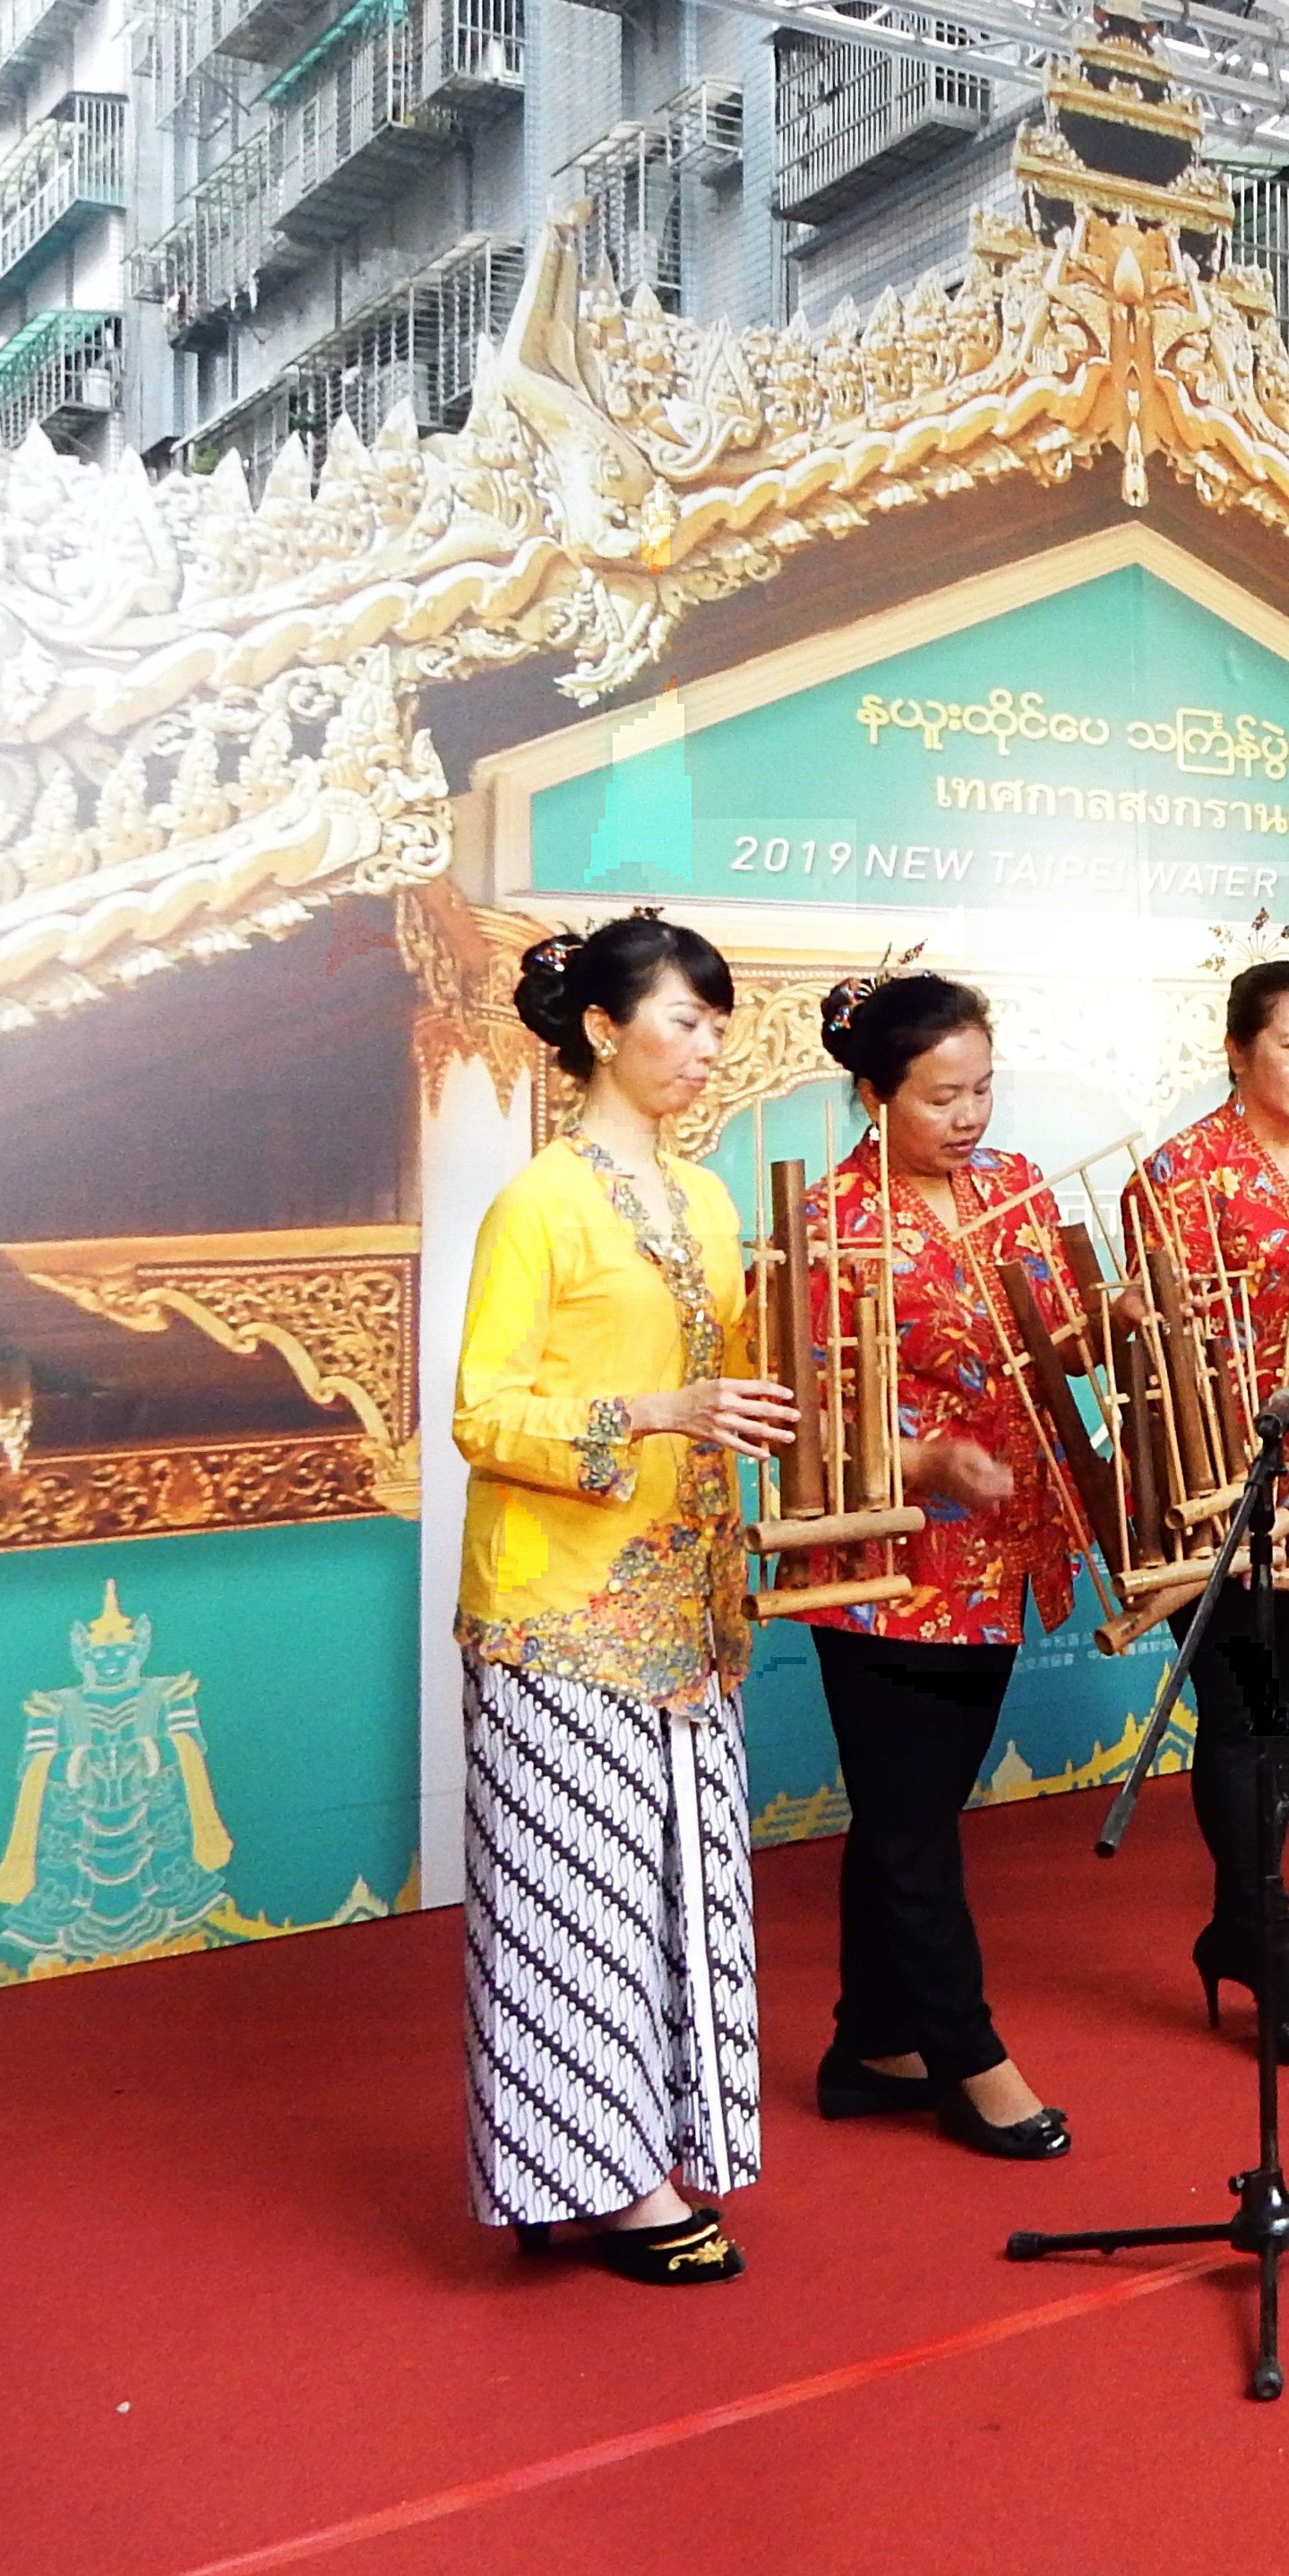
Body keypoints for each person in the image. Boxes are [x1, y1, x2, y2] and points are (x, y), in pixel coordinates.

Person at [451, 914, 794, 2285]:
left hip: (686, 1598)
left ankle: (615, 2158)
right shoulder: (540, 1202)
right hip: (560, 1605)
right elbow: (482, 1410)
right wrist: (655, 1409)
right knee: (565, 1901)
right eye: (683, 1022)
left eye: (718, 1026)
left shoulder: (706, 1199)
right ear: (603, 1029)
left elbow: (750, 1383)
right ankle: (598, 2183)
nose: (706, 1050)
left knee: (672, 1896)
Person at [781, 973, 1087, 2160]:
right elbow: (800, 1419)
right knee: (913, 1826)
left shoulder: (1012, 1186)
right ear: (873, 1094)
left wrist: (1125, 1330)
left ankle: (870, 2045)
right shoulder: (829, 1221)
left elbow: (1060, 1331)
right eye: (941, 1096)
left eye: (983, 1089)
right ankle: (968, 2056)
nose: (969, 1117)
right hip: (890, 1561)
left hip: (1004, 1541)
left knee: (908, 1812)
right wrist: (926, 1458)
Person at [1130, 958, 1289, 2064]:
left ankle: (1239, 1927)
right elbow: (1158, 1348)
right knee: (1234, 1712)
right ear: (1238, 1050)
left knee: (1280, 1715)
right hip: (1211, 1480)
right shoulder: (1175, 1177)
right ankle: (1271, 1947)